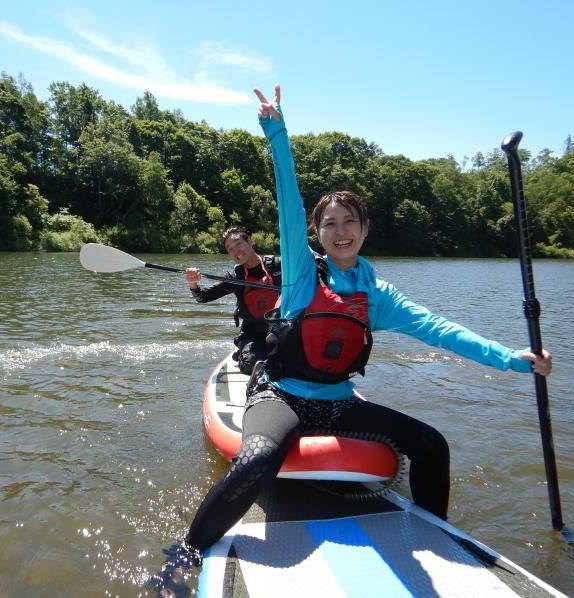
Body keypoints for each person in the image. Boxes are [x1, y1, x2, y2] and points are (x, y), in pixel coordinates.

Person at [179, 84, 553, 555]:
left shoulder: (378, 295)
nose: (340, 231)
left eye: (349, 221)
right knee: (257, 458)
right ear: (316, 233)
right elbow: (288, 203)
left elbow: (440, 330)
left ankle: (436, 536)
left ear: (365, 229)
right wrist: (277, 133)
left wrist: (513, 360)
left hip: (338, 402)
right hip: (282, 396)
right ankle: (185, 555)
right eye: (329, 223)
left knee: (432, 445)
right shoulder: (299, 273)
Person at [185, 227, 281, 375]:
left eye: (238, 244)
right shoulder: (235, 277)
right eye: (230, 249)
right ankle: (246, 353)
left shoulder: (279, 265)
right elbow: (202, 297)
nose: (236, 251)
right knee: (251, 365)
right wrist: (193, 283)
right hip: (253, 334)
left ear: (249, 241)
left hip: (282, 331)